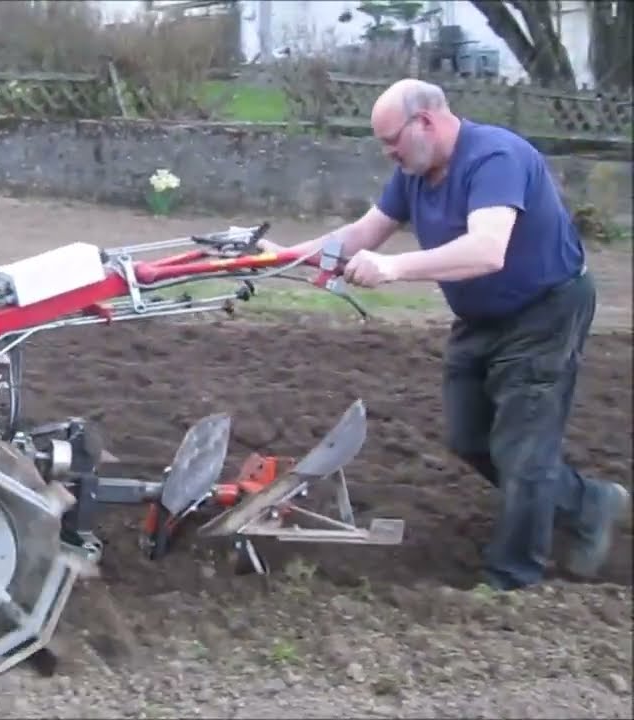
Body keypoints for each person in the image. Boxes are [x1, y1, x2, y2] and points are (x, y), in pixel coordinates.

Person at [258, 78, 630, 591]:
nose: (388, 153)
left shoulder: (495, 157)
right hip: (480, 319)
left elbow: (487, 250)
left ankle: (511, 579)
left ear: (426, 122)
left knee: (524, 450)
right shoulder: (414, 172)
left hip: (545, 313)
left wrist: (394, 268)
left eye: (392, 140)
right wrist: (279, 258)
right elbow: (362, 234)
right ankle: (590, 503)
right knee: (469, 438)